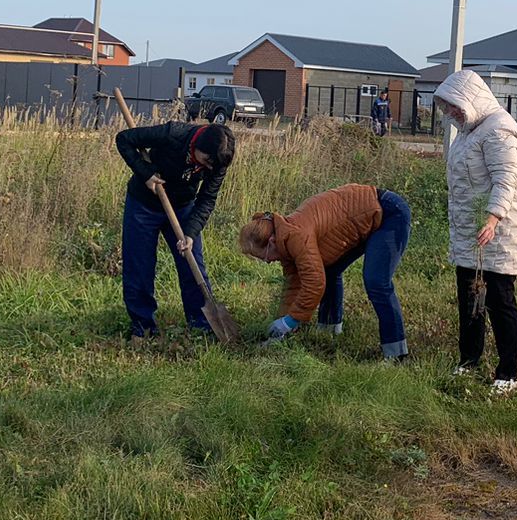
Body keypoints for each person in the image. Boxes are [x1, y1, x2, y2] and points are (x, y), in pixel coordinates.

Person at [433, 69, 517, 394]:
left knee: (499, 300)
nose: (451, 113)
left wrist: (492, 219)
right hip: (470, 231)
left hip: (499, 232)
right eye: (447, 106)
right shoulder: (469, 131)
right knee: (470, 296)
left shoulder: (499, 130)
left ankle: (508, 373)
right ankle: (469, 358)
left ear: (471, 99)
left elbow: (507, 180)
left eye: (454, 105)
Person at [238, 183, 413, 359]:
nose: (268, 262)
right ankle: (329, 332)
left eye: (264, 256)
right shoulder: (284, 239)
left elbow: (314, 283)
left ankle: (396, 354)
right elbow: (294, 282)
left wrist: (290, 321)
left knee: (376, 282)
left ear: (271, 241)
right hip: (363, 217)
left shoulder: (296, 236)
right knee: (328, 270)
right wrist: (283, 328)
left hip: (388, 212)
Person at [114, 120, 236, 340]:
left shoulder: (218, 161)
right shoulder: (172, 134)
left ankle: (202, 326)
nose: (209, 168)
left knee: (192, 264)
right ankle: (144, 328)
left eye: (213, 166)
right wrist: (146, 173)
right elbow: (124, 139)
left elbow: (207, 199)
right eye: (206, 161)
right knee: (139, 267)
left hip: (182, 209)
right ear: (198, 144)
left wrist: (190, 233)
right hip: (144, 205)